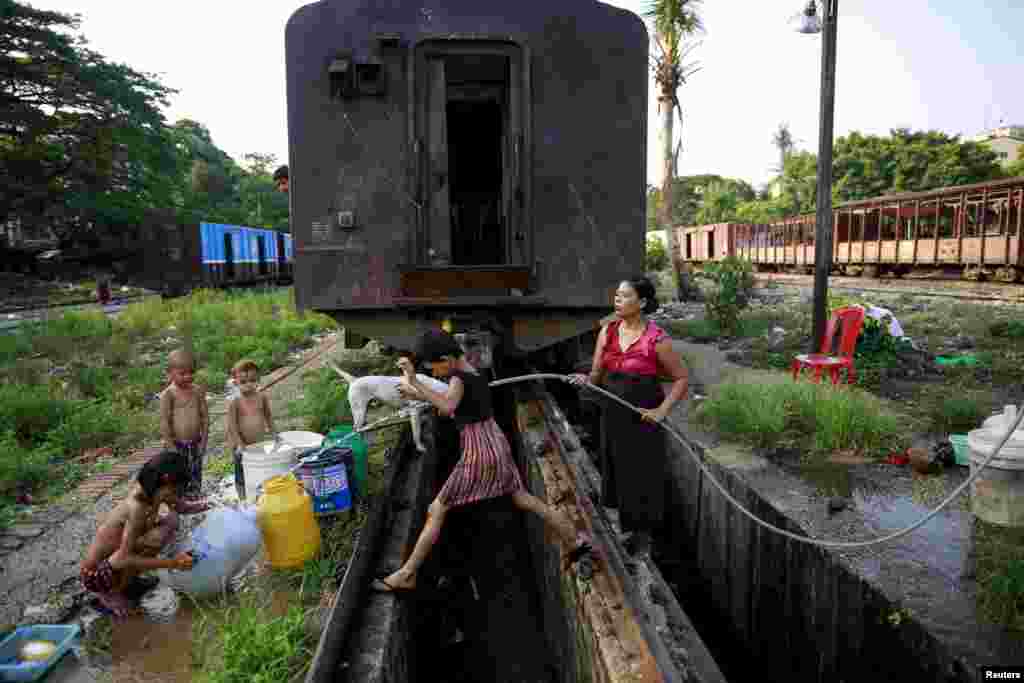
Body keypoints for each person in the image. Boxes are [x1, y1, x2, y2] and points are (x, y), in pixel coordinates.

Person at [371, 330, 595, 595]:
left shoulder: (457, 378)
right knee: (523, 498)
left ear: (446, 358)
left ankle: (407, 574)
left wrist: (415, 383)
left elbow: (450, 406)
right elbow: (452, 405)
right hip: (495, 442)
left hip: (479, 450)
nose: (436, 374)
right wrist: (418, 392)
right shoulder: (474, 372)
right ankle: (574, 540)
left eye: (436, 367)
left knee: (436, 509)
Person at [568, 276, 688, 557]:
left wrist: (661, 411)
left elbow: (681, 379)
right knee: (617, 470)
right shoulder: (607, 332)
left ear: (642, 302)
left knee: (642, 476)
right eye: (617, 296)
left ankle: (644, 541)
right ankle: (626, 531)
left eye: (624, 296)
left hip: (643, 418)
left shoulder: (656, 340)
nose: (617, 300)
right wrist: (584, 380)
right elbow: (596, 376)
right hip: (613, 415)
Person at [80, 450, 208, 618]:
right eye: (177, 490)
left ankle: (128, 582)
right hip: (97, 574)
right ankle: (110, 594)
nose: (177, 495)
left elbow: (183, 507)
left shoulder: (155, 488)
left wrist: (211, 504)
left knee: (171, 520)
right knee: (156, 538)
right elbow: (122, 558)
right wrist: (173, 563)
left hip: (117, 557)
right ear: (167, 480)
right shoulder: (137, 507)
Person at [160, 350, 209, 500]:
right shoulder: (168, 394)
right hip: (177, 444)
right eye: (182, 373)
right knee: (178, 473)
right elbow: (164, 421)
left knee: (195, 470)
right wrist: (170, 445)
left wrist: (204, 441)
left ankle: (195, 496)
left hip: (195, 441)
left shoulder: (197, 391)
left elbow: (205, 417)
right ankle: (179, 500)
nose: (188, 376)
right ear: (170, 373)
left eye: (191, 372)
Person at [225, 359, 276, 500]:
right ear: (235, 382)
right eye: (243, 382)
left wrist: (275, 434)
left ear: (258, 380)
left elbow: (268, 417)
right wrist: (240, 444)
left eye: (252, 380)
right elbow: (232, 426)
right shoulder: (235, 402)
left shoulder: (262, 397)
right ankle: (243, 499)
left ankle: (258, 496)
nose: (248, 385)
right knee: (241, 474)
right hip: (241, 446)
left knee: (258, 470)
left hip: (258, 443)